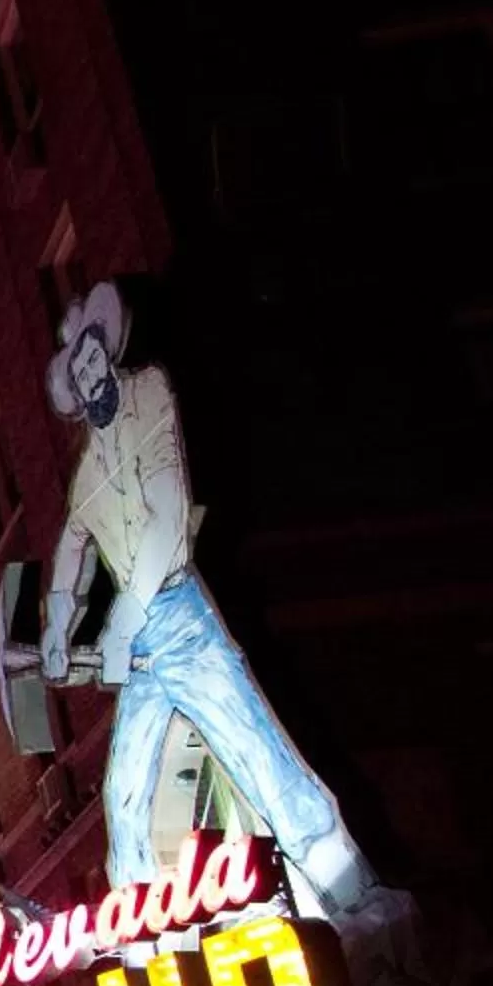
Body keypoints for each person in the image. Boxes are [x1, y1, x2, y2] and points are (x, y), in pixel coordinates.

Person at [40, 281, 375, 914]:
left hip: (178, 617)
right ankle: (148, 940)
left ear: (106, 355)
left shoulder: (149, 397)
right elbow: (71, 548)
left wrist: (121, 622)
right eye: (79, 374)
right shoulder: (89, 467)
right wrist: (58, 627)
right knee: (126, 796)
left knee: (252, 745)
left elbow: (169, 518)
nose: (90, 374)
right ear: (78, 395)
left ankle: (349, 890)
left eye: (92, 359)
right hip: (140, 647)